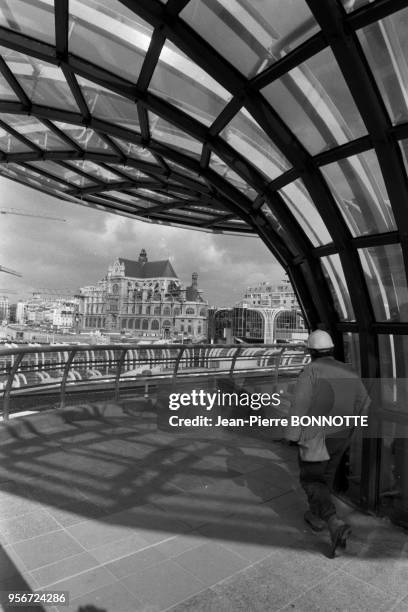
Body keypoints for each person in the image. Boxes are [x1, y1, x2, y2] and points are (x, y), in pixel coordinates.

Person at [285, 329, 371, 558]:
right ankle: (315, 516)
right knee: (327, 477)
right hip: (341, 436)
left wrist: (293, 436)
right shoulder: (349, 371)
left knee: (311, 479)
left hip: (316, 437)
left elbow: (299, 406)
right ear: (332, 350)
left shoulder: (310, 372)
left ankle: (334, 524)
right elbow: (364, 403)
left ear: (311, 352)